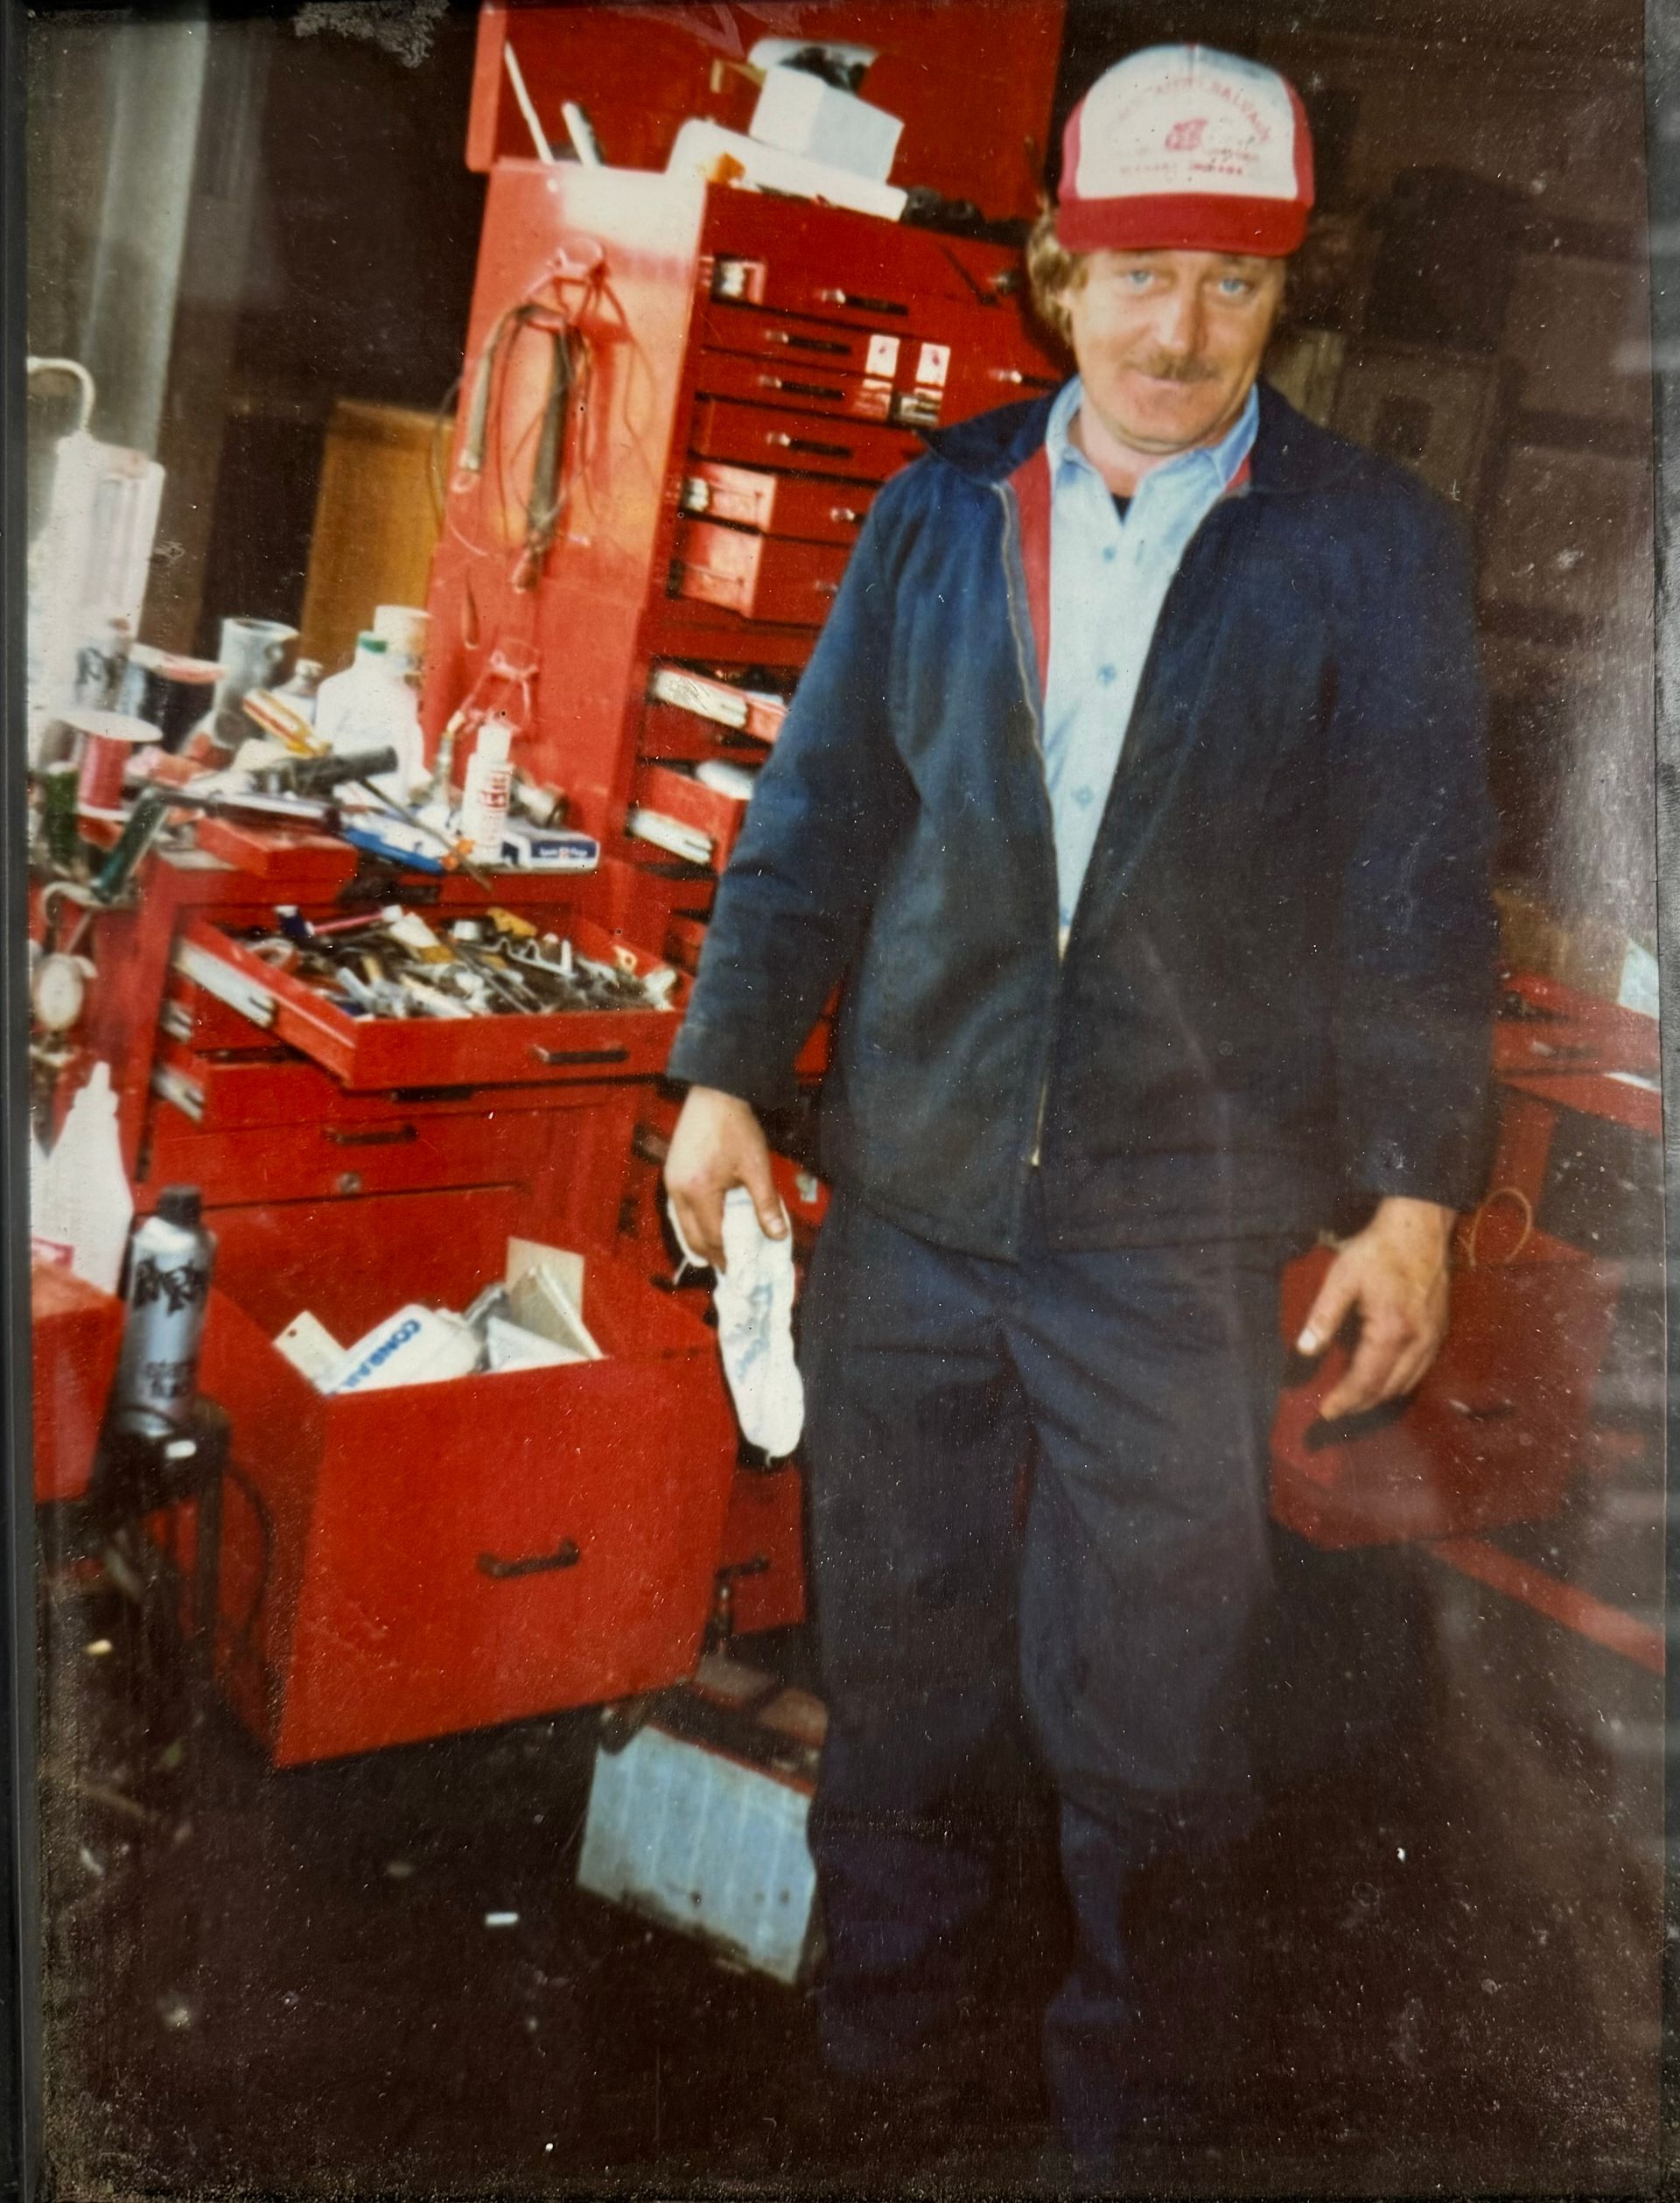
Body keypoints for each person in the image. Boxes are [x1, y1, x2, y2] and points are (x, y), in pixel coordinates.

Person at [663, 40, 1495, 2170]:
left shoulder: (1370, 548)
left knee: (1154, 1747)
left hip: (1171, 1242)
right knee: (911, 1712)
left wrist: (1418, 1197)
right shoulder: (944, 508)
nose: (1177, 330)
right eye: (1136, 273)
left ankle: (1119, 2149)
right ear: (1058, 268)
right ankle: (884, 2102)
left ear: (1282, 295)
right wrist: (727, 1076)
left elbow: (1415, 887)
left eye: (1230, 282)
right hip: (921, 1210)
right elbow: (819, 816)